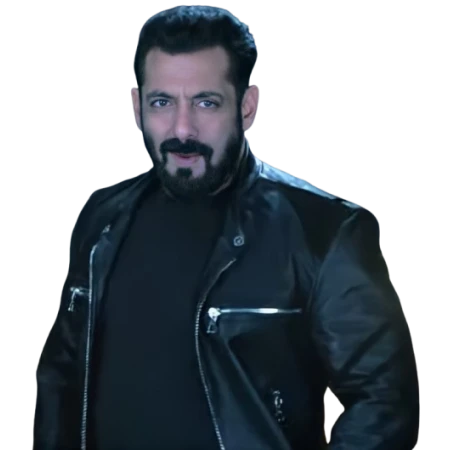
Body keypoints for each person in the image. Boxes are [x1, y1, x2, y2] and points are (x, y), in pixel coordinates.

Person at [33, 4, 420, 450]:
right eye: (162, 102)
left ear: (248, 106)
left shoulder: (322, 230)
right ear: (137, 106)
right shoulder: (102, 217)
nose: (182, 128)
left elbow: (384, 400)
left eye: (206, 102)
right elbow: (61, 373)